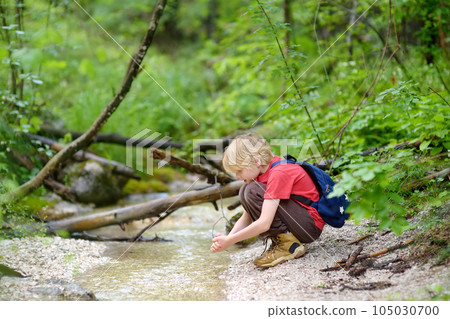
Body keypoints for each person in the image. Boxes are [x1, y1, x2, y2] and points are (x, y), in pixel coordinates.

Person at [210, 133, 324, 268]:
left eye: (239, 170)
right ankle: (283, 242)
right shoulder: (261, 174)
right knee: (245, 190)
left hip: (309, 226)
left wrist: (229, 240)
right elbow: (246, 218)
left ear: (256, 161)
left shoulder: (279, 172)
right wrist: (228, 238)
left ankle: (287, 245)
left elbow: (264, 223)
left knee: (251, 190)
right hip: (299, 221)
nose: (237, 176)